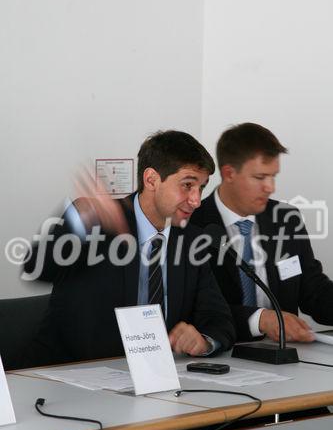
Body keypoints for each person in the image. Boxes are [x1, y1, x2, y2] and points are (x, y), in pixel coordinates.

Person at [23, 130, 235, 367]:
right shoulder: (96, 222)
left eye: (201, 188)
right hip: (69, 377)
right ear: (152, 179)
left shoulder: (191, 239)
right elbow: (35, 269)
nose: (196, 200)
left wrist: (204, 341)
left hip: (155, 380)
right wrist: (77, 222)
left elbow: (219, 319)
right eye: (187, 185)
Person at [191, 122, 333, 343]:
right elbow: (193, 309)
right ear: (229, 173)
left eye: (273, 176)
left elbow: (313, 291)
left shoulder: (286, 219)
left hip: (288, 361)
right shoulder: (192, 224)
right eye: (260, 177)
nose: (270, 187)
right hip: (220, 358)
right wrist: (261, 320)